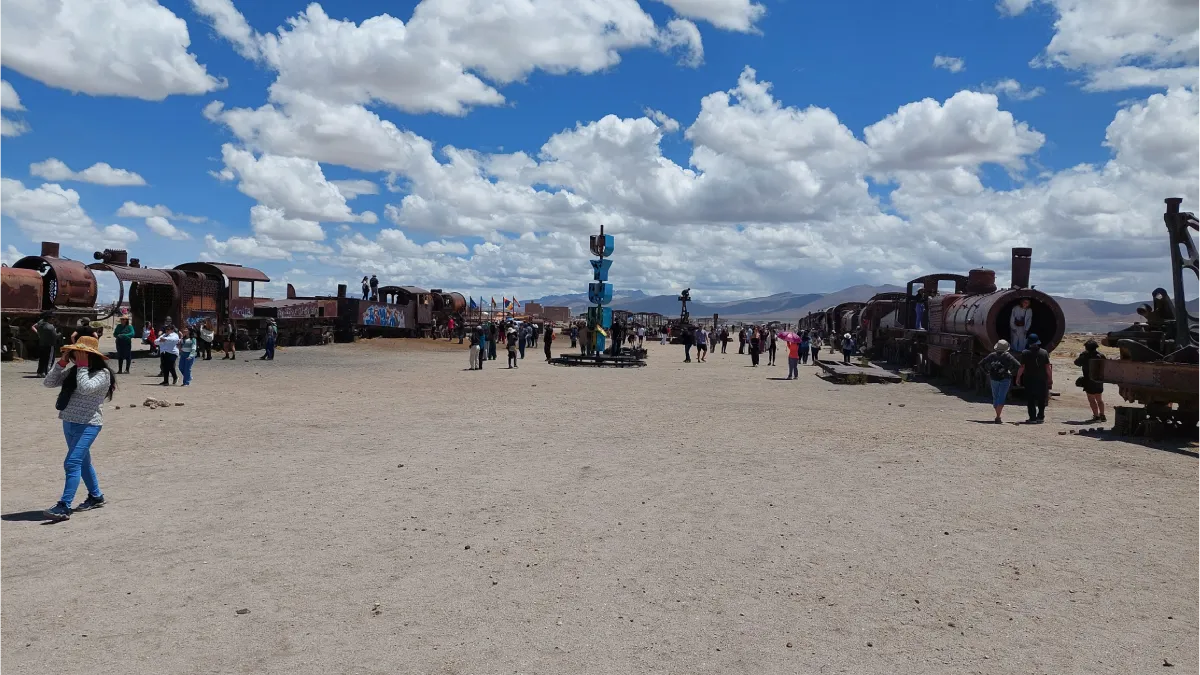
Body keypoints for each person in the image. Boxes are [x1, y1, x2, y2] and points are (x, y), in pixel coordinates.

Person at [41, 335, 115, 521]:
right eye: (74, 354)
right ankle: (96, 496)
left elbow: (85, 388)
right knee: (82, 462)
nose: (76, 357)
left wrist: (81, 367)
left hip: (89, 424)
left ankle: (64, 505)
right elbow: (48, 382)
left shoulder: (102, 374)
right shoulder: (75, 370)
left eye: (79, 354)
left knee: (72, 462)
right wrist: (62, 362)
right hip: (69, 421)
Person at [979, 340, 1021, 423]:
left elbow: (981, 363)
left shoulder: (992, 355)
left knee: (995, 397)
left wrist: (986, 372)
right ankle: (998, 416)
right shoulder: (1008, 356)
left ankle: (997, 414)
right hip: (1005, 378)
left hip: (993, 377)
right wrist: (1011, 373)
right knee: (1002, 396)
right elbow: (1018, 365)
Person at [1015, 333, 1052, 423]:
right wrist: (1050, 379)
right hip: (1042, 379)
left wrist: (1018, 377)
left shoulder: (1025, 353)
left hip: (1029, 379)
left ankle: (1032, 418)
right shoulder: (1044, 352)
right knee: (1041, 398)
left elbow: (1022, 367)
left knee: (1030, 399)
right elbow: (1048, 367)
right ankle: (1040, 417)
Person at [1074, 339, 1107, 422]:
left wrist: (1082, 355)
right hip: (1099, 381)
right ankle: (1102, 415)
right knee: (1099, 399)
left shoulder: (1085, 356)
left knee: (1091, 399)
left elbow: (1076, 363)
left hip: (1089, 381)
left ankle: (1096, 416)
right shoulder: (1101, 355)